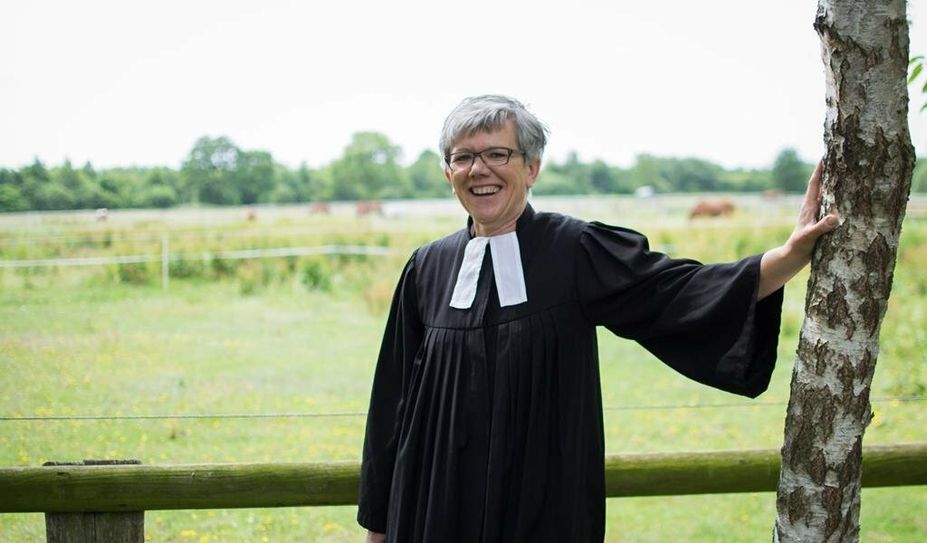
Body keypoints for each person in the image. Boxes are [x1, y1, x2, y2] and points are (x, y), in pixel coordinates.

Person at [357, 95, 839, 542]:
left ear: (531, 167)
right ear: (449, 173)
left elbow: (674, 293)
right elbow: (391, 403)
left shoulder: (575, 249)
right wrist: (379, 523)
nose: (479, 169)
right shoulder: (427, 268)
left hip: (541, 505)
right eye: (463, 157)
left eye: (497, 154)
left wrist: (788, 257)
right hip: (434, 505)